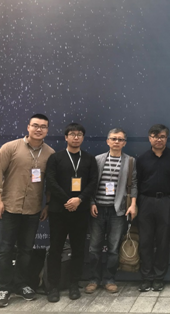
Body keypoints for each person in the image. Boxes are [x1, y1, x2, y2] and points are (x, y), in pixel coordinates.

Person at [0, 114, 55, 308]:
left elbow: (51, 182)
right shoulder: (10, 148)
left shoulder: (50, 153)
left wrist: (48, 205)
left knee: (26, 250)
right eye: (35, 125)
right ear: (28, 127)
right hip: (9, 207)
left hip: (33, 210)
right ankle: (4, 288)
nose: (39, 129)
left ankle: (21, 284)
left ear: (47, 130)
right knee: (5, 249)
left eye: (43, 126)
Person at [45, 123, 98, 302]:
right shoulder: (55, 158)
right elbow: (50, 181)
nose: (76, 137)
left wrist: (79, 199)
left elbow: (93, 182)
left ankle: (74, 283)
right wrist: (68, 200)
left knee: (78, 248)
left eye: (79, 134)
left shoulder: (89, 159)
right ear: (66, 137)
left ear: (83, 137)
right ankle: (53, 286)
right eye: (72, 134)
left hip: (80, 211)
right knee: (56, 249)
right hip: (59, 210)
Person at [85, 128, 137, 294]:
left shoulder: (130, 161)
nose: (116, 142)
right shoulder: (98, 159)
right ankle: (94, 279)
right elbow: (90, 183)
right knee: (94, 247)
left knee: (113, 248)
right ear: (107, 141)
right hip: (98, 209)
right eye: (113, 139)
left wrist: (133, 204)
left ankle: (109, 279)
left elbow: (133, 185)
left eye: (120, 139)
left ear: (124, 143)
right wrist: (91, 202)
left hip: (118, 211)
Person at [136, 124, 170, 292]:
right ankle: (146, 277)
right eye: (155, 136)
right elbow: (136, 183)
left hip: (166, 202)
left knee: (163, 241)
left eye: (162, 137)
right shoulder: (142, 159)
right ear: (149, 138)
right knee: (145, 241)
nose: (158, 140)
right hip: (145, 202)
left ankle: (159, 277)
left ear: (166, 138)